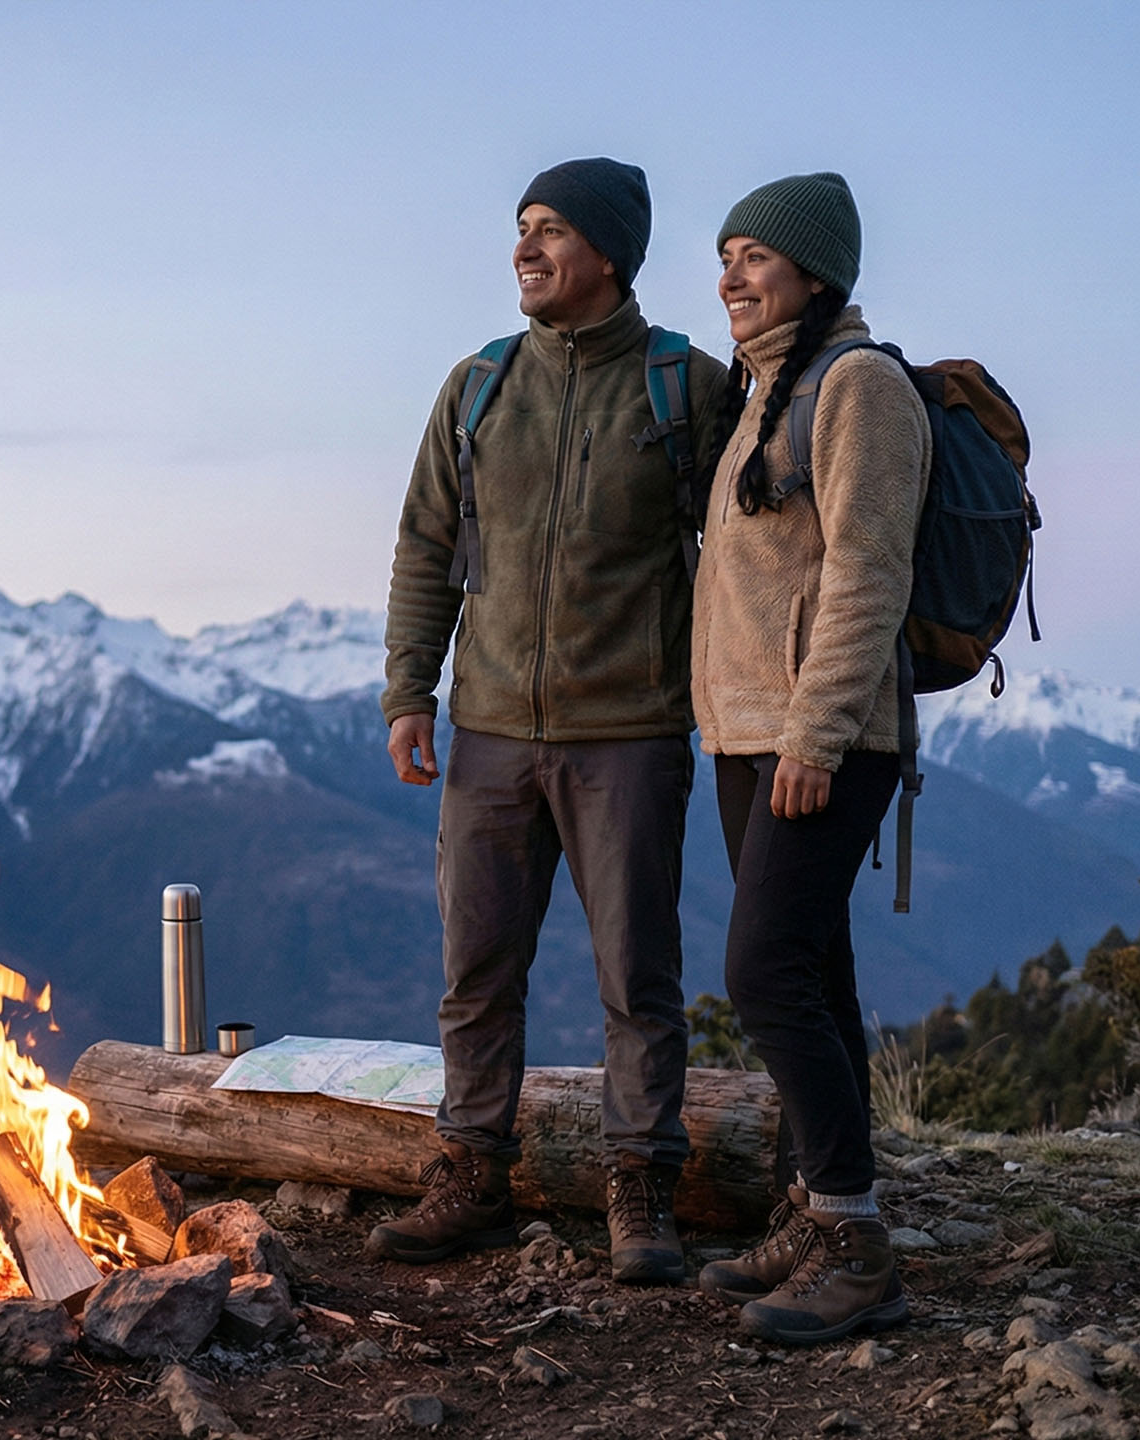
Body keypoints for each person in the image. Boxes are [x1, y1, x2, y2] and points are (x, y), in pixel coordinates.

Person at [368, 157, 734, 1281]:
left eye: (552, 230)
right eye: (522, 227)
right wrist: (408, 691)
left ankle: (641, 1186)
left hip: (630, 732)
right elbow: (426, 545)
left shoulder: (686, 389)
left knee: (638, 976)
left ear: (609, 255)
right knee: (475, 971)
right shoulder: (478, 386)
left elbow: (749, 557)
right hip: (488, 731)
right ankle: (472, 1170)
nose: (525, 248)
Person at [686, 171, 926, 1343]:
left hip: (815, 735)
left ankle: (856, 1246)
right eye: (725, 257)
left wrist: (815, 734)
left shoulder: (859, 385)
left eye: (756, 257)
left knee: (764, 972)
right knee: (814, 972)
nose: (731, 278)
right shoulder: (764, 389)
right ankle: (818, 1207)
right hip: (746, 731)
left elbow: (868, 575)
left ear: (815, 272)